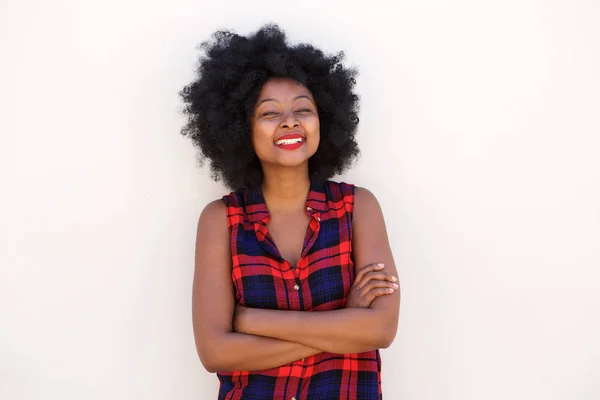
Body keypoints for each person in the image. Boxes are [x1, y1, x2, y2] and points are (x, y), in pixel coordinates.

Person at [180, 24, 400, 400]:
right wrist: (343, 325)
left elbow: (381, 330)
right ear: (239, 128)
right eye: (269, 113)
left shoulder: (358, 208)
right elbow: (215, 352)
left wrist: (252, 321)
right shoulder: (221, 221)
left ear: (325, 119)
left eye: (303, 108)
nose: (289, 121)